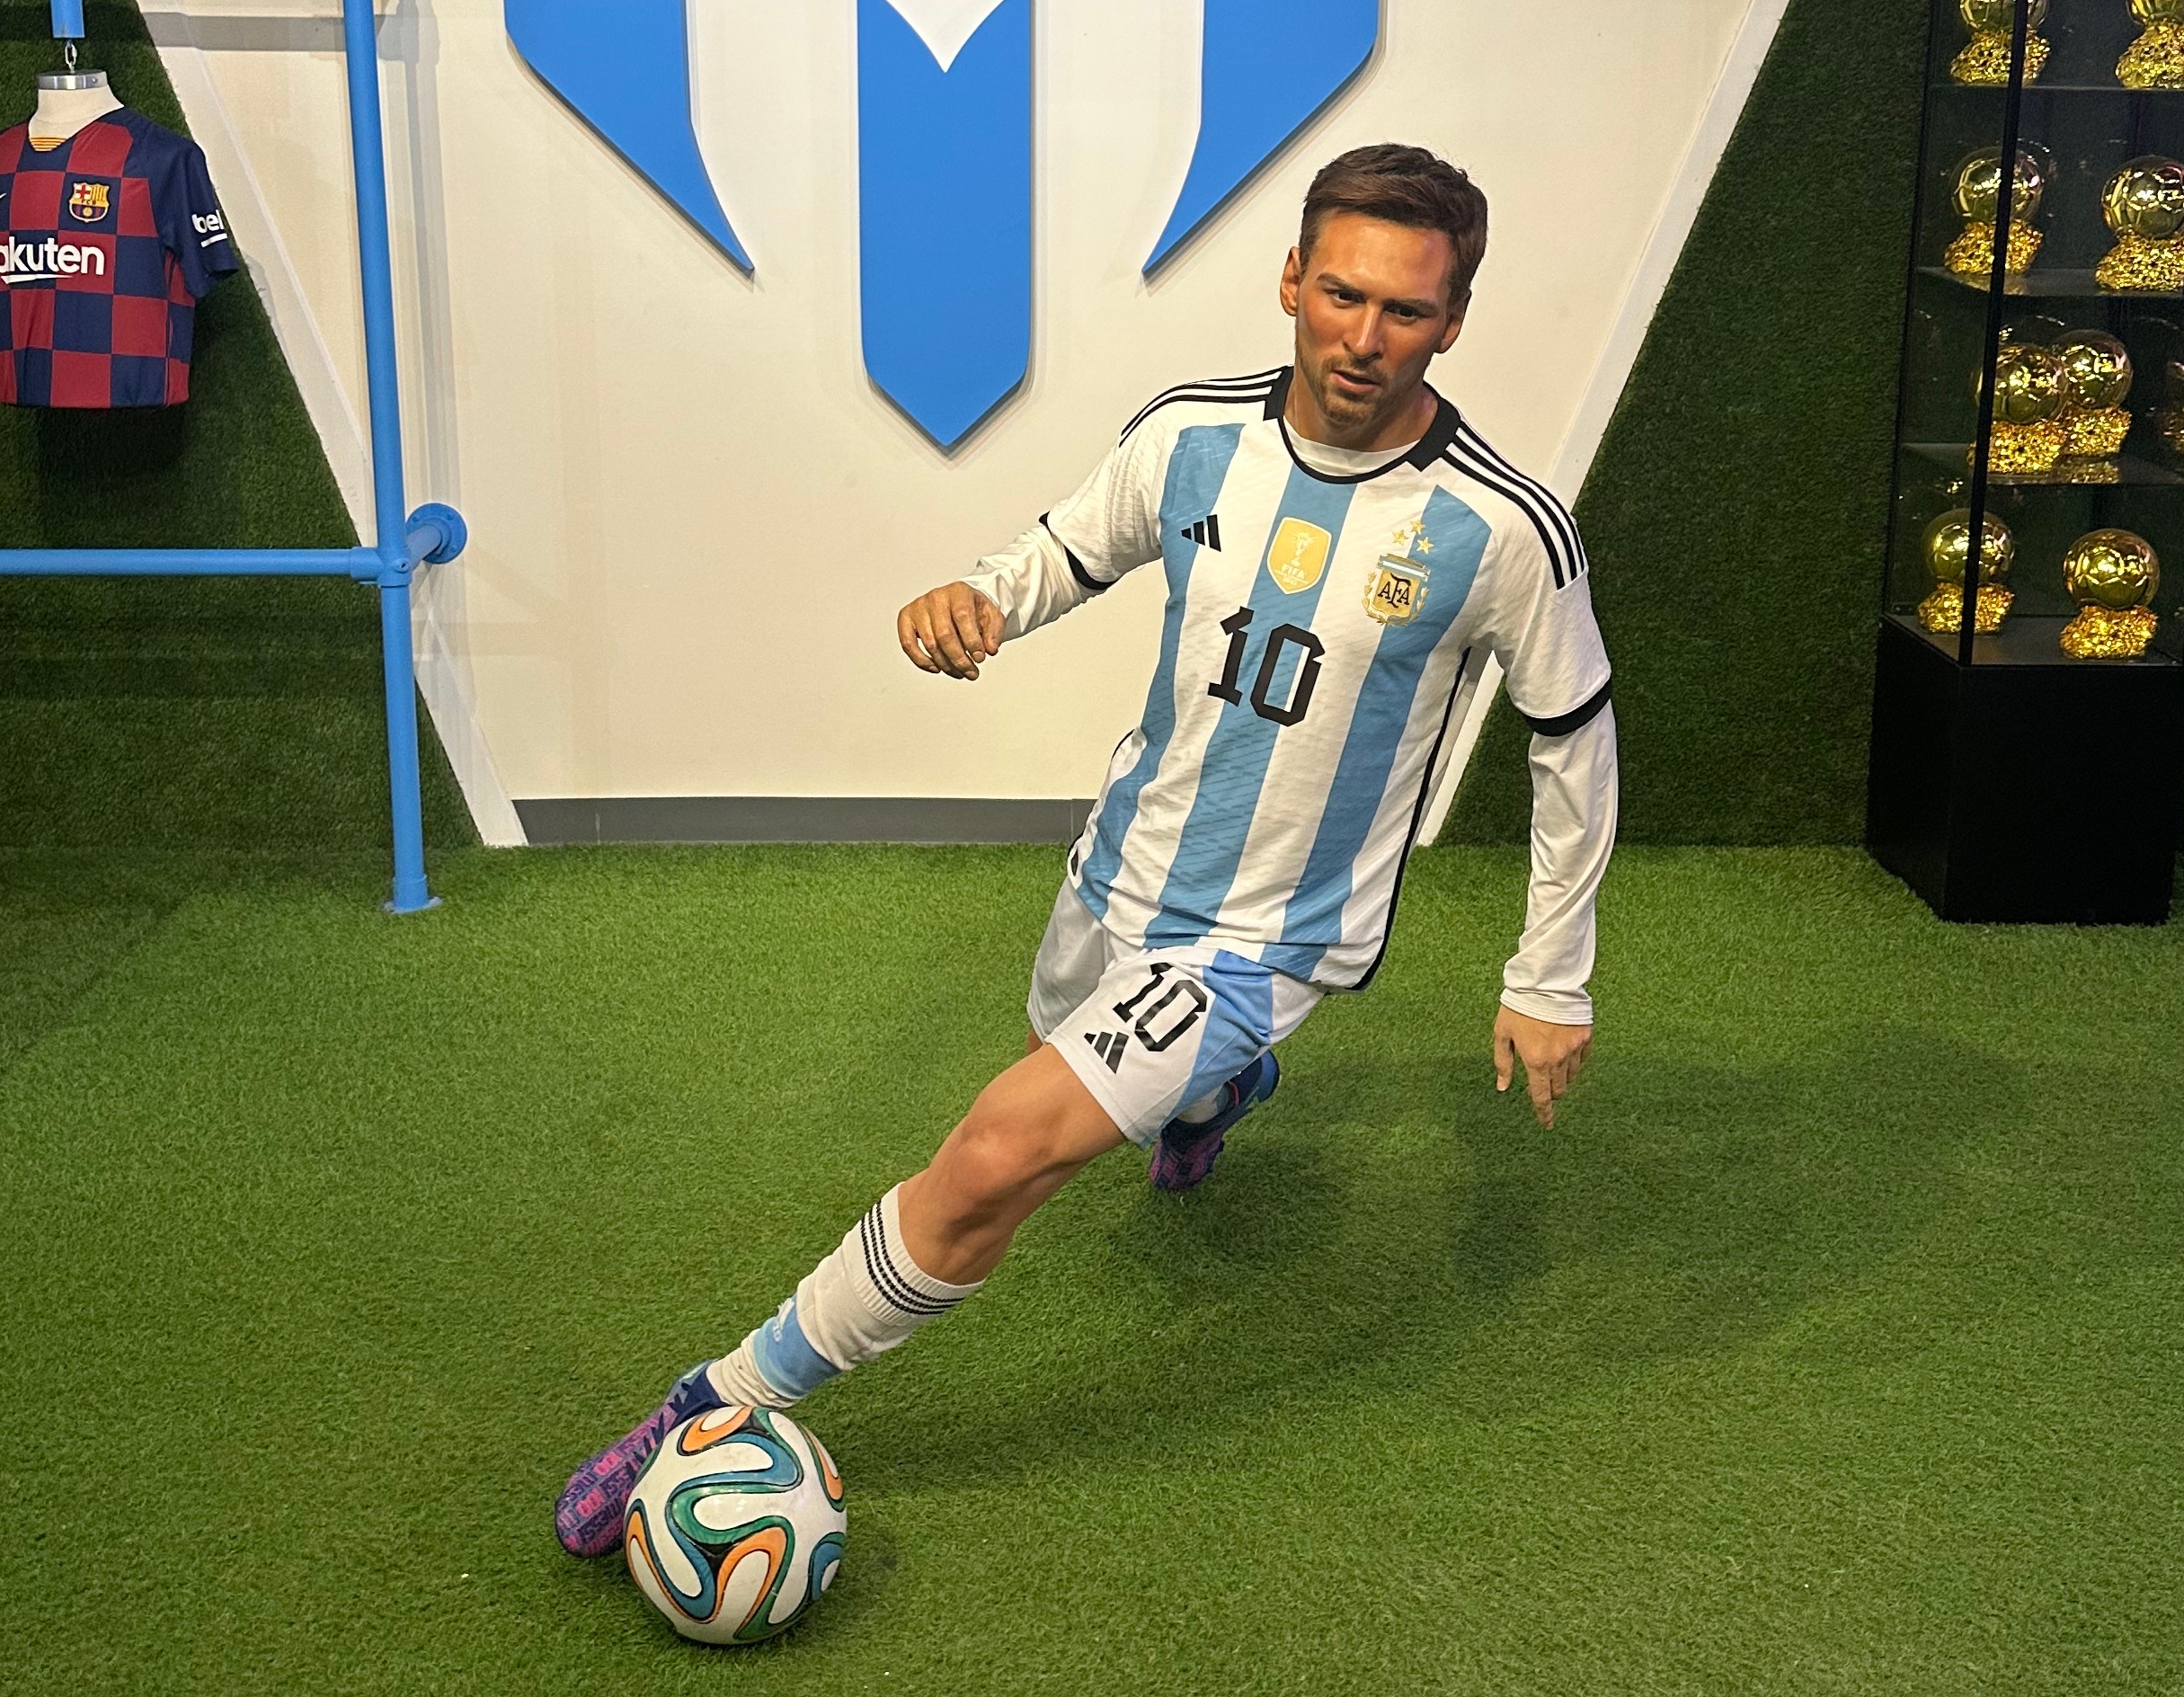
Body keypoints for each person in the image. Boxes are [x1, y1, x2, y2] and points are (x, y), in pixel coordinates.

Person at [552, 141, 1619, 1556]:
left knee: (1000, 1153)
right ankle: (1210, 1100)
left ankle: (717, 1403)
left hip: (1265, 939)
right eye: (1342, 294)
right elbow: (1073, 545)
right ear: (1291, 280)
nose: (1364, 339)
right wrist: (980, 600)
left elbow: (1574, 738)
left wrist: (1552, 974)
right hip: (1119, 870)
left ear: (1455, 320)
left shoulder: (1502, 528)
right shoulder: (1190, 436)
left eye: (1406, 311)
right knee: (1070, 1042)